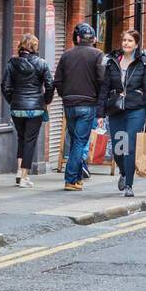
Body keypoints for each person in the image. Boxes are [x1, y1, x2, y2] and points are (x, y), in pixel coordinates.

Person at [98, 29, 146, 198]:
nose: (126, 43)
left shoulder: (143, 63)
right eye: (124, 40)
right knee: (118, 147)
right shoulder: (111, 62)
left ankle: (129, 185)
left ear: (136, 44)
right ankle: (123, 172)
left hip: (136, 109)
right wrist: (100, 114)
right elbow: (104, 89)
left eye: (130, 41)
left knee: (130, 146)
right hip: (116, 109)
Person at [54, 22, 104, 191]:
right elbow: (102, 80)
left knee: (75, 140)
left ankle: (76, 178)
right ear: (94, 39)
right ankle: (71, 179)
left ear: (76, 38)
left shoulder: (66, 55)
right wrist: (99, 100)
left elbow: (58, 81)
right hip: (88, 104)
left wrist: (65, 95)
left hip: (69, 104)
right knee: (79, 142)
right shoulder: (98, 54)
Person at [1, 33, 54, 188]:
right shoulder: (42, 64)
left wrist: (13, 100)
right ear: (35, 47)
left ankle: (19, 171)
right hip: (35, 108)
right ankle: (24, 176)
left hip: (17, 108)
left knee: (21, 138)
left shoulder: (12, 63)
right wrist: (45, 101)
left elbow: (5, 86)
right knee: (30, 141)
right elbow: (50, 85)